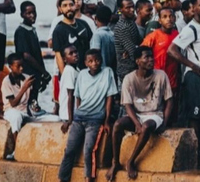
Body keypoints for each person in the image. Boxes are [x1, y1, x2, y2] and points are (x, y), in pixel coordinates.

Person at [105, 46, 173, 181]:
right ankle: (115, 162)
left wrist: (164, 122)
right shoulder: (129, 78)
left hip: (154, 114)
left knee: (147, 126)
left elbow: (169, 101)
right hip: (137, 114)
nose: (150, 60)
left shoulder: (161, 75)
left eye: (151, 56)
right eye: (146, 57)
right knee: (118, 124)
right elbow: (127, 105)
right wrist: (136, 122)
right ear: (137, 61)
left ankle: (131, 161)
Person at [168, 0, 200, 167]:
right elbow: (172, 50)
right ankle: (197, 157)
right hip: (195, 79)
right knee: (195, 118)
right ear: (194, 7)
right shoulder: (192, 28)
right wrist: (192, 66)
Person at [58, 49, 118, 182]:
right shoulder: (82, 75)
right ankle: (62, 179)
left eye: (97, 60)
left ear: (101, 60)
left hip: (95, 120)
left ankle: (88, 179)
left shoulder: (107, 72)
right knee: (69, 151)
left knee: (88, 150)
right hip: (79, 118)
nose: (94, 63)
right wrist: (71, 120)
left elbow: (109, 98)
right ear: (85, 63)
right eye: (90, 61)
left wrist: (107, 120)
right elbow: (77, 97)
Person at [2, 54, 59, 158]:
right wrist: (24, 88)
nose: (21, 68)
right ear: (10, 67)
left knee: (57, 119)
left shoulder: (27, 78)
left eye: (22, 65)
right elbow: (13, 103)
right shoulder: (6, 81)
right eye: (18, 66)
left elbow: (31, 100)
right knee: (16, 117)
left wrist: (35, 107)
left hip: (27, 112)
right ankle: (16, 149)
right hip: (12, 111)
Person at [141, 8, 179, 123]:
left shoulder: (178, 35)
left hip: (173, 81)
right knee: (155, 112)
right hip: (156, 81)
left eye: (171, 16)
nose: (169, 19)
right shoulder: (153, 36)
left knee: (171, 113)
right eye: (165, 17)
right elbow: (141, 53)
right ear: (160, 20)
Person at [14, 1, 51, 114]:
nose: (32, 15)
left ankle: (34, 109)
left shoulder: (31, 30)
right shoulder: (21, 31)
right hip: (27, 71)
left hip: (35, 72)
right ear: (22, 15)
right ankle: (29, 112)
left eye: (34, 12)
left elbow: (37, 54)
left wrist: (42, 73)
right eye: (28, 13)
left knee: (35, 95)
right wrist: (43, 71)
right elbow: (26, 55)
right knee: (28, 96)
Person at [114, 0, 141, 85]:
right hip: (126, 71)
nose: (132, 10)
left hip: (133, 68)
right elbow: (132, 51)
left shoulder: (130, 21)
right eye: (128, 8)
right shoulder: (122, 27)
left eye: (132, 6)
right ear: (120, 10)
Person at [58, 45, 79, 133]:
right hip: (67, 115)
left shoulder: (76, 70)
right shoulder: (69, 71)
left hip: (72, 113)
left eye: (75, 52)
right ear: (65, 59)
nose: (75, 54)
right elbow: (70, 95)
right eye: (71, 53)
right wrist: (70, 120)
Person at [90, 6, 116, 72]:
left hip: (99, 71)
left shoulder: (97, 35)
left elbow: (94, 54)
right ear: (110, 19)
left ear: (95, 18)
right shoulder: (112, 34)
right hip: (111, 70)